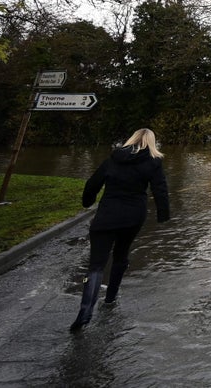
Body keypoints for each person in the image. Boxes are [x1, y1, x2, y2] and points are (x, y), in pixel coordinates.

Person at [70, 128, 170, 332]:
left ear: (131, 140)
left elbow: (93, 183)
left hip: (107, 215)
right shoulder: (153, 162)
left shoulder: (113, 159)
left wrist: (87, 201)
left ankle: (86, 310)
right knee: (121, 255)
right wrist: (163, 215)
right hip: (133, 217)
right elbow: (160, 189)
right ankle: (110, 297)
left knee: (96, 264)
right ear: (152, 143)